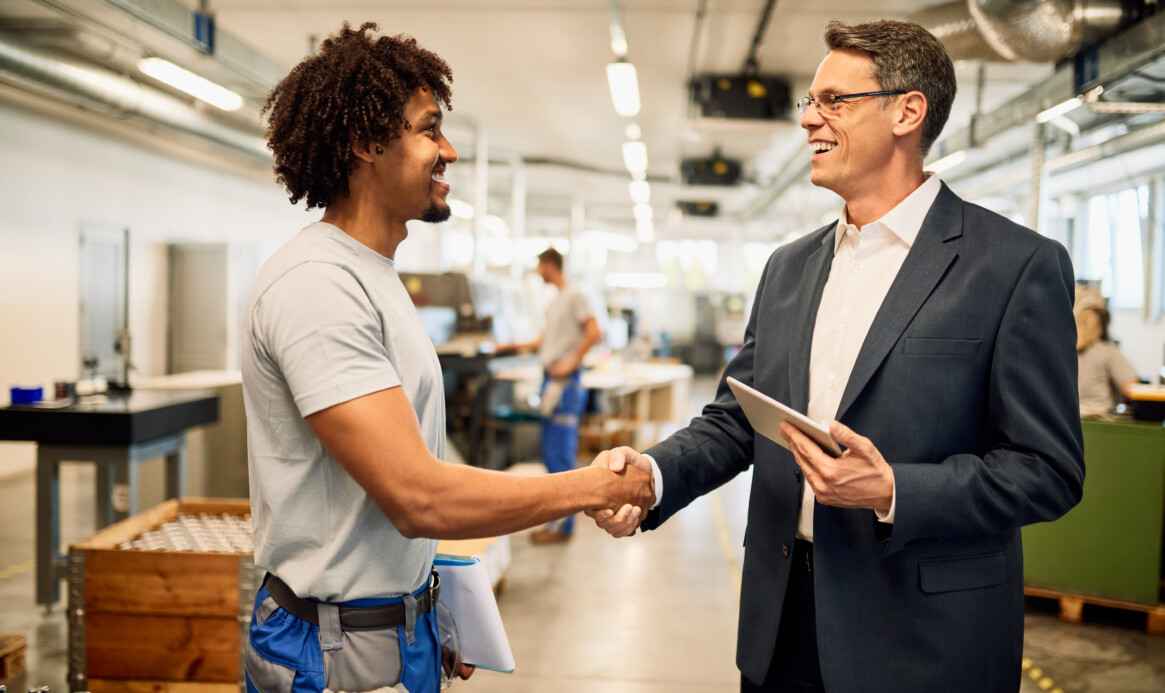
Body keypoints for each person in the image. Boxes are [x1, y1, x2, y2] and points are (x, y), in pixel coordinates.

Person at [590, 19, 1084, 693]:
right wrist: (651, 475)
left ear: (907, 111)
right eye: (808, 102)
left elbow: (1046, 468)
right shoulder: (789, 267)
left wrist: (893, 490)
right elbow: (740, 416)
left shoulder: (1014, 267)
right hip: (782, 622)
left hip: (924, 639)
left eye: (833, 101)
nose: (807, 120)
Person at [242, 23, 653, 693]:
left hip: (386, 633)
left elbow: (400, 496)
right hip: (330, 652)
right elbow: (415, 494)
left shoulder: (376, 276)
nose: (449, 150)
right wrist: (596, 487)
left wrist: (427, 613)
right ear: (365, 143)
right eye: (429, 130)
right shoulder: (316, 283)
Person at [493, 248, 603, 544]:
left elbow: (595, 331)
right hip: (550, 381)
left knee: (560, 457)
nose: (538, 272)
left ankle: (562, 528)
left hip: (564, 384)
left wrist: (571, 362)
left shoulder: (574, 295)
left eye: (540, 266)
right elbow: (544, 341)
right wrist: (506, 347)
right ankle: (557, 525)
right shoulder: (556, 301)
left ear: (549, 265)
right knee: (551, 456)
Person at [1075, 288, 1139, 416]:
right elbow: (1132, 389)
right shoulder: (1108, 351)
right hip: (1102, 422)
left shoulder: (1062, 352)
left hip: (1069, 421)